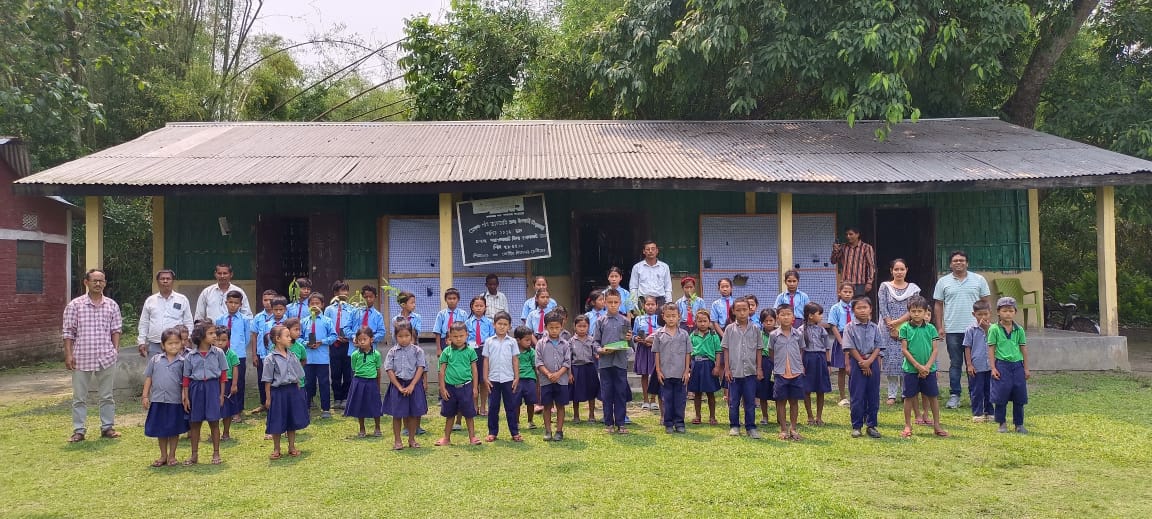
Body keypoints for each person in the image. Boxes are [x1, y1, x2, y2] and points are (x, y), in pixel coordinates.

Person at [63, 269, 123, 443]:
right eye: (95, 281)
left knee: (107, 396)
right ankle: (79, 430)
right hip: (81, 356)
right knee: (79, 397)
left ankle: (107, 428)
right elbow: (68, 332)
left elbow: (116, 329)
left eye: (101, 281)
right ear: (86, 282)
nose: (98, 284)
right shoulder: (75, 305)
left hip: (106, 356)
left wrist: (115, 350)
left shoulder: (111, 305)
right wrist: (68, 354)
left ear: (105, 283)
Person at [933, 250, 992, 409]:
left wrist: (987, 324)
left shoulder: (979, 280)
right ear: (950, 264)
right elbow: (938, 305)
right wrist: (939, 327)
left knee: (975, 363)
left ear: (967, 263)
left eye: (962, 260)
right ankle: (955, 395)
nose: (959, 263)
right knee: (956, 363)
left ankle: (976, 395)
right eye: (955, 261)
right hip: (953, 329)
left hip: (976, 330)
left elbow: (986, 303)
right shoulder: (943, 282)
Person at [899, 295, 948, 438]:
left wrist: (927, 366)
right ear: (909, 311)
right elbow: (904, 349)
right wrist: (917, 366)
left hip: (929, 370)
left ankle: (937, 425)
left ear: (925, 311)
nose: (916, 314)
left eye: (919, 311)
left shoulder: (931, 328)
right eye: (913, 311)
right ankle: (908, 425)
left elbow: (935, 349)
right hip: (910, 370)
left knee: (933, 396)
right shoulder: (905, 328)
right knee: (909, 397)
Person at [879, 259, 922, 411]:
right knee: (890, 360)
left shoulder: (913, 289)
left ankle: (906, 392)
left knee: (906, 359)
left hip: (907, 327)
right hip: (887, 327)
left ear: (906, 270)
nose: (899, 272)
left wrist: (898, 323)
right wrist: (891, 326)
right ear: (891, 271)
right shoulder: (885, 287)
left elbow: (914, 309)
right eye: (896, 269)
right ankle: (891, 394)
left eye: (901, 269)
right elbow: (883, 307)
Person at [142, 328, 189, 467]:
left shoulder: (183, 361)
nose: (173, 346)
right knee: (160, 429)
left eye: (176, 343)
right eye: (170, 343)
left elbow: (185, 382)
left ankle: (172, 456)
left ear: (182, 343)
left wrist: (185, 396)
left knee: (174, 429)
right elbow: (149, 378)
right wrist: (145, 395)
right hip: (158, 400)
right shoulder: (155, 360)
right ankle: (163, 455)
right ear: (163, 345)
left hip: (175, 401)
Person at [181, 321, 227, 465]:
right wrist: (186, 396)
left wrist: (221, 394)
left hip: (213, 387)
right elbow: (186, 378)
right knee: (195, 423)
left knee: (214, 421)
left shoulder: (218, 353)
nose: (215, 336)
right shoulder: (190, 356)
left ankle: (216, 453)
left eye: (215, 333)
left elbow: (223, 375)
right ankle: (194, 455)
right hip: (196, 388)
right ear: (201, 336)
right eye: (211, 333)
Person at [262, 324, 309, 460]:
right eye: (287, 336)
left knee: (291, 419)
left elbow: (298, 374)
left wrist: (298, 389)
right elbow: (267, 380)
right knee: (277, 419)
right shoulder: (270, 359)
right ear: (277, 339)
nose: (290, 339)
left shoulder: (293, 355)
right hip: (278, 392)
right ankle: (276, 449)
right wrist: (268, 398)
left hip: (293, 391)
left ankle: (292, 446)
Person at [842, 296, 885, 439]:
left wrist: (870, 361)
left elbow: (879, 346)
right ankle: (857, 426)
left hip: (872, 362)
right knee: (857, 395)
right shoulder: (849, 327)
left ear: (870, 309)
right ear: (853, 310)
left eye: (865, 307)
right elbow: (849, 347)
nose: (862, 310)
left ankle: (871, 425)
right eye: (859, 308)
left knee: (873, 395)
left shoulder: (875, 327)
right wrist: (862, 362)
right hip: (857, 361)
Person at [382, 322, 428, 450]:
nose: (404, 339)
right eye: (400, 336)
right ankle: (397, 441)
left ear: (411, 335)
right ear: (395, 336)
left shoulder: (418, 351)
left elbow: (420, 367)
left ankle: (412, 439)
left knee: (413, 413)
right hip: (398, 385)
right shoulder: (392, 352)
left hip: (414, 384)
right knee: (397, 414)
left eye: (407, 335)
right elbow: (389, 369)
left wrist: (413, 385)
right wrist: (398, 386)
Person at [988, 297, 1030, 434]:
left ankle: (1019, 424)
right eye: (1004, 310)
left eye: (1011, 311)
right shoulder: (994, 329)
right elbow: (991, 349)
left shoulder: (1019, 330)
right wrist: (993, 367)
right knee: (1001, 396)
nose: (1008, 313)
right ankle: (1002, 423)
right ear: (998, 312)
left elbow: (1023, 349)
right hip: (1002, 365)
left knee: (1020, 395)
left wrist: (1026, 367)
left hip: (1017, 365)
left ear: (1015, 312)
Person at [723, 299, 763, 439]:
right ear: (733, 311)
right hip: (734, 372)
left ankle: (751, 427)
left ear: (750, 310)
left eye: (744, 309)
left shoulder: (756, 328)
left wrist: (759, 368)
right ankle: (734, 426)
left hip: (750, 372)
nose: (741, 313)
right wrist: (727, 369)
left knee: (750, 401)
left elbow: (759, 349)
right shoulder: (729, 329)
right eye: (738, 310)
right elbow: (726, 349)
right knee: (733, 401)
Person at [594, 289, 633, 434]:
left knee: (620, 392)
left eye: (615, 302)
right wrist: (600, 350)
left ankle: (621, 423)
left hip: (620, 362)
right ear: (604, 303)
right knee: (607, 393)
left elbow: (631, 343)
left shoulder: (625, 321)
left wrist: (630, 339)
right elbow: (595, 342)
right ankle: (608, 423)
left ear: (620, 303)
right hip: (605, 363)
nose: (612, 305)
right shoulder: (600, 321)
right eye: (609, 302)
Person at [436, 322, 481, 446]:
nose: (459, 339)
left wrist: (475, 388)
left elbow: (475, 370)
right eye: (455, 336)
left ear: (467, 335)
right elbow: (441, 371)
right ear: (450, 336)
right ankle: (446, 438)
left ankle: (472, 437)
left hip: (466, 387)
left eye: (461, 336)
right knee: (449, 414)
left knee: (469, 414)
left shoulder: (470, 351)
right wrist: (442, 388)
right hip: (450, 388)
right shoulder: (446, 352)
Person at [137, 269, 194, 357]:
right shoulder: (150, 300)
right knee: (157, 369)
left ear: (172, 281)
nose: (165, 281)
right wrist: (141, 342)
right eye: (162, 279)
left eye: (168, 279)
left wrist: (188, 339)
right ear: (157, 281)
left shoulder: (182, 299)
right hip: (155, 344)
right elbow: (144, 322)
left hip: (176, 344)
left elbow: (188, 321)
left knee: (178, 369)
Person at [483, 311, 521, 442]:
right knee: (493, 407)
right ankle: (492, 432)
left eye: (505, 324)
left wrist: (516, 377)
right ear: (494, 325)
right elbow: (486, 360)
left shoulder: (512, 342)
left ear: (509, 326)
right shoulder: (488, 341)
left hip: (508, 379)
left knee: (510, 406)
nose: (502, 326)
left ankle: (514, 432)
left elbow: (515, 360)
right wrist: (485, 378)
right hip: (493, 379)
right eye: (499, 324)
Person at [653, 303, 691, 434]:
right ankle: (668, 423)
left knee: (680, 400)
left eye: (673, 316)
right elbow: (657, 353)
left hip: (680, 374)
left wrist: (687, 371)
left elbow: (688, 353)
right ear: (663, 317)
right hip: (665, 374)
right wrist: (658, 371)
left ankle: (679, 423)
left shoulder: (684, 334)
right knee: (667, 400)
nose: (671, 319)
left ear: (679, 317)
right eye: (668, 316)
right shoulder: (659, 335)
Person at [770, 304, 806, 441]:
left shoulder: (798, 334)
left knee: (794, 401)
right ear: (777, 318)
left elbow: (801, 350)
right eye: (782, 315)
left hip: (796, 372)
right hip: (780, 373)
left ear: (793, 317)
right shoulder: (774, 335)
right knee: (781, 401)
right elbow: (772, 353)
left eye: (788, 314)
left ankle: (793, 428)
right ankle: (783, 429)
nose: (786, 317)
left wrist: (798, 365)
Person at [215, 290, 251, 423]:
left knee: (238, 382)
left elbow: (247, 338)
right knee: (222, 380)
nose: (233, 305)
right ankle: (221, 406)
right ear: (226, 303)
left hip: (238, 354)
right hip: (221, 353)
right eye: (230, 302)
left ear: (240, 304)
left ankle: (237, 410)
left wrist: (235, 349)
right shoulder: (220, 319)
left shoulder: (245, 320)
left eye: (236, 303)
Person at [536, 312, 573, 441]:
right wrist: (548, 374)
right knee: (547, 406)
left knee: (560, 406)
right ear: (546, 327)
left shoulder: (565, 344)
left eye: (557, 327)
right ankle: (547, 431)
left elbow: (567, 362)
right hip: (546, 381)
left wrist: (558, 374)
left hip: (561, 380)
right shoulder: (540, 343)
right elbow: (538, 362)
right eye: (551, 327)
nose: (554, 330)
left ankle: (559, 431)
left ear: (561, 327)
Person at [249, 296, 287, 414]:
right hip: (266, 356)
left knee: (280, 380)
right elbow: (264, 340)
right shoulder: (267, 324)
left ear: (285, 309)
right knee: (264, 379)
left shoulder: (287, 322)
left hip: (283, 357)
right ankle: (264, 403)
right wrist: (258, 355)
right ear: (273, 309)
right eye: (276, 310)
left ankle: (279, 404)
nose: (278, 312)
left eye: (281, 309)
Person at [301, 293, 336, 418]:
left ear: (322, 305)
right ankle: (306, 407)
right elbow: (298, 338)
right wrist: (306, 343)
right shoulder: (304, 322)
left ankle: (325, 408)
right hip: (308, 358)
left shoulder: (327, 321)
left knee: (324, 383)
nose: (315, 306)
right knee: (308, 383)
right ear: (308, 306)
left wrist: (322, 342)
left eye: (317, 303)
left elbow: (333, 336)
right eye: (312, 304)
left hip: (322, 359)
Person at [345, 327, 383, 437]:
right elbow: (353, 369)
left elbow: (378, 370)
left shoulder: (376, 354)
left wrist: (378, 385)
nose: (362, 342)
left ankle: (377, 427)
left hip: (372, 382)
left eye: (364, 339)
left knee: (375, 405)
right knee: (359, 405)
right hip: (359, 381)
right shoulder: (354, 355)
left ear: (371, 340)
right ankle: (362, 428)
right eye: (359, 339)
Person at [800, 302, 831, 427]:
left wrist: (828, 364)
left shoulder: (822, 330)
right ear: (811, 315)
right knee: (806, 389)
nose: (822, 316)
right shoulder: (801, 330)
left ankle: (819, 416)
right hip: (807, 359)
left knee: (820, 388)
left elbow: (827, 347)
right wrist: (800, 365)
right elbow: (800, 350)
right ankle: (810, 416)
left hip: (820, 359)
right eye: (820, 314)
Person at [688, 310, 722, 426]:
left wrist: (717, 366)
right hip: (696, 365)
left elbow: (718, 351)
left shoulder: (714, 335)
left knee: (710, 392)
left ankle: (712, 417)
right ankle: (698, 416)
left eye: (705, 321)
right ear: (695, 322)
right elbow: (688, 352)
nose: (702, 324)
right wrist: (688, 367)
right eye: (700, 321)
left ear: (709, 322)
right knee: (697, 393)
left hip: (709, 365)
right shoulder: (692, 335)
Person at [964, 301, 995, 423]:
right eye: (979, 314)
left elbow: (995, 343)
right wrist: (969, 364)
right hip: (977, 366)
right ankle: (977, 413)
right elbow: (967, 347)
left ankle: (989, 411)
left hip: (990, 365)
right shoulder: (970, 330)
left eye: (985, 314)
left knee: (990, 389)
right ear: (974, 314)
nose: (983, 317)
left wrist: (987, 329)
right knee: (977, 390)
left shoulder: (994, 329)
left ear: (990, 313)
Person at [326, 281, 355, 411]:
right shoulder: (329, 309)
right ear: (335, 293)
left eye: (345, 291)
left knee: (348, 372)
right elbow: (327, 325)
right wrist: (334, 337)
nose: (343, 293)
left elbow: (354, 326)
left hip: (348, 344)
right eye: (340, 291)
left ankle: (345, 398)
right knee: (336, 373)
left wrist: (349, 336)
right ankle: (337, 398)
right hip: (334, 344)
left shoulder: (352, 309)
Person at [466, 295, 495, 416]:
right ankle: (474, 406)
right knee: (473, 379)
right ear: (472, 307)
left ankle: (483, 406)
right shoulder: (467, 323)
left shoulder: (489, 323)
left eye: (481, 306)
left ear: (485, 307)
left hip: (485, 352)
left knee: (484, 380)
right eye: (476, 306)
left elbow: (493, 338)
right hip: (471, 352)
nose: (478, 308)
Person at [826, 283, 854, 407]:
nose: (847, 294)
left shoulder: (856, 306)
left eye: (850, 292)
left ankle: (855, 394)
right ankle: (843, 397)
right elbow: (833, 325)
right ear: (839, 293)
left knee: (855, 368)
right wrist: (842, 342)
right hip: (841, 337)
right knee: (842, 369)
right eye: (845, 291)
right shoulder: (835, 308)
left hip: (855, 337)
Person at [569, 315, 600, 423]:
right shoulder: (571, 341)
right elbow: (568, 358)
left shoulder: (592, 340)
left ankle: (591, 415)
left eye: (584, 326)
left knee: (591, 391)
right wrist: (569, 373)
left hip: (589, 368)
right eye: (579, 326)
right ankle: (576, 416)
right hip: (576, 369)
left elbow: (596, 352)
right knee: (575, 393)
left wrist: (599, 354)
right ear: (574, 326)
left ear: (588, 327)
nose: (582, 328)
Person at [830, 226, 876, 297]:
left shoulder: (866, 248)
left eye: (851, 234)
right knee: (846, 305)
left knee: (858, 304)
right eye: (846, 234)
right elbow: (833, 261)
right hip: (846, 283)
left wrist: (869, 282)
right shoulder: (843, 247)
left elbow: (871, 266)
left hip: (859, 283)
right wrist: (835, 251)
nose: (848, 236)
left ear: (857, 234)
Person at [633, 296, 660, 410]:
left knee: (655, 374)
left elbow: (662, 333)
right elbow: (634, 334)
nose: (650, 307)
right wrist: (636, 339)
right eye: (648, 304)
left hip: (656, 349)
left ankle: (653, 399)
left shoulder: (660, 319)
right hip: (643, 348)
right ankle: (645, 400)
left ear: (656, 306)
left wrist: (652, 342)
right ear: (644, 306)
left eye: (652, 304)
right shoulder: (638, 319)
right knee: (644, 374)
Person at [629, 240, 673, 307]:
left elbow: (668, 288)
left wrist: (668, 304)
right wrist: (635, 305)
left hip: (660, 301)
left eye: (653, 249)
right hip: (642, 301)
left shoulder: (664, 267)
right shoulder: (637, 267)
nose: (650, 251)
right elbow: (633, 287)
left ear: (657, 251)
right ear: (644, 251)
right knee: (642, 318)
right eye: (648, 249)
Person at [216, 325, 240, 441]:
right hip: (215, 383)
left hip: (228, 383)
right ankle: (215, 432)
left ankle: (226, 432)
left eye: (223, 340)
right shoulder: (213, 354)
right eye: (217, 340)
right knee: (214, 409)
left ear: (228, 341)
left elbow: (235, 368)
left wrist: (234, 384)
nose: (220, 343)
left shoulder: (232, 354)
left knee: (228, 409)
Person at [513, 326, 539, 430]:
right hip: (517, 380)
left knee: (531, 401)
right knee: (516, 402)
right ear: (518, 340)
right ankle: (516, 422)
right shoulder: (513, 352)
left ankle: (530, 421)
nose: (529, 342)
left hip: (530, 379)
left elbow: (535, 366)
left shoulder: (531, 352)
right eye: (526, 340)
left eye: (530, 340)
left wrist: (538, 381)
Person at [756, 308, 777, 426]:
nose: (768, 323)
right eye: (765, 321)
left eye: (771, 320)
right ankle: (765, 416)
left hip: (777, 362)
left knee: (778, 391)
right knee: (763, 391)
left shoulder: (779, 333)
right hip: (763, 363)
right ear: (761, 322)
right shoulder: (758, 334)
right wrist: (758, 368)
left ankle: (780, 416)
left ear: (775, 320)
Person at [433, 288, 469, 354]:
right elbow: (437, 332)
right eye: (449, 298)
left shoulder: (463, 314)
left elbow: (467, 331)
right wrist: (438, 349)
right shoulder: (441, 314)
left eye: (454, 298)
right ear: (445, 300)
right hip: (444, 341)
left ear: (458, 300)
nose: (452, 301)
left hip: (459, 340)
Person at [354, 285, 387, 350]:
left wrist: (369, 339)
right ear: (362, 297)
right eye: (365, 297)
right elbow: (347, 328)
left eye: (371, 297)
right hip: (355, 348)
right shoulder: (354, 312)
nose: (368, 299)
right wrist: (354, 337)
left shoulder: (378, 315)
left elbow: (382, 333)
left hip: (371, 349)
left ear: (375, 297)